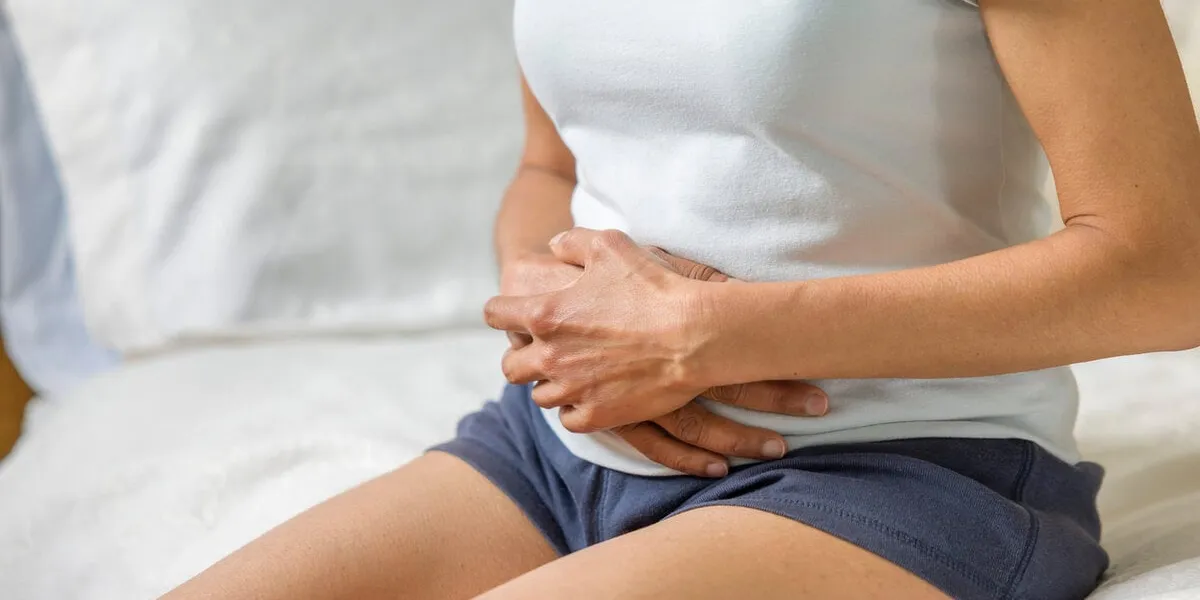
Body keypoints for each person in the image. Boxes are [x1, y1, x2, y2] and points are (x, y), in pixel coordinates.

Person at [165, 1, 1200, 599]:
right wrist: (557, 324)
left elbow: (1167, 268)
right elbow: (543, 172)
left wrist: (707, 337)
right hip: (565, 447)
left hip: (912, 469)